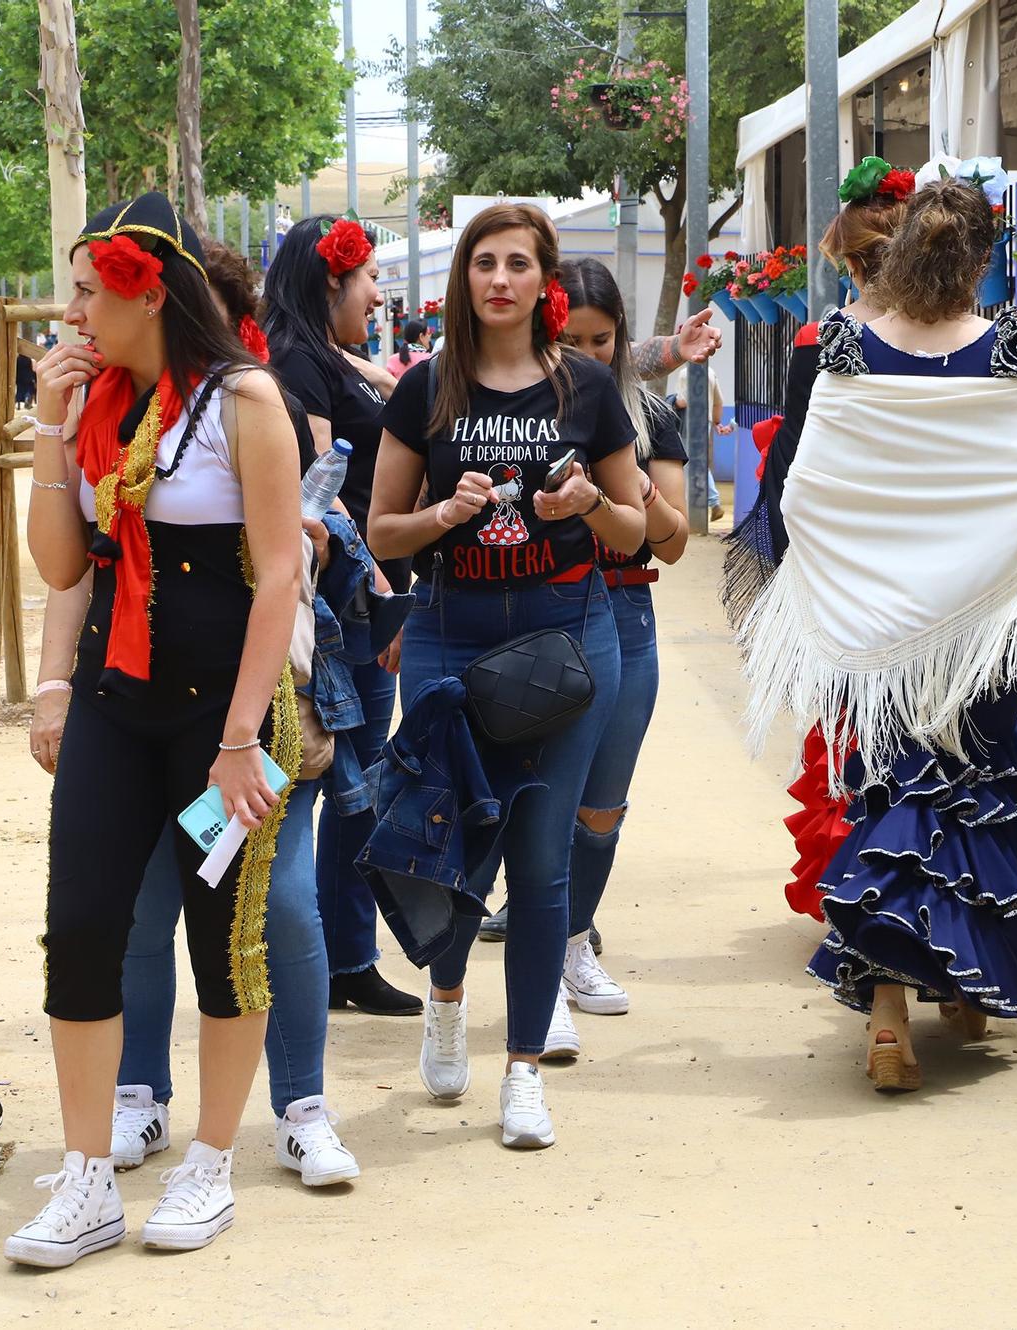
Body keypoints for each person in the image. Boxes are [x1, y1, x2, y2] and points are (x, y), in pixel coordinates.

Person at [25, 236, 362, 1196]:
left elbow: (281, 574)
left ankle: (234, 1147)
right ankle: (91, 1166)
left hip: (223, 718)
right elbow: (62, 567)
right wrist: (52, 422)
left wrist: (241, 739)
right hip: (116, 704)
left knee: (242, 928)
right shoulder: (93, 404)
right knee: (88, 922)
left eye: (89, 294)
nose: (74, 316)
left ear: (149, 296)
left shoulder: (244, 400)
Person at [736, 173, 1017, 1092]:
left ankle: (898, 1007)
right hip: (978, 633)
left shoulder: (842, 346)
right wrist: (1009, 585)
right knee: (967, 795)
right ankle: (955, 986)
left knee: (889, 802)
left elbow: (802, 492)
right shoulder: (1013, 348)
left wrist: (855, 580)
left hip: (873, 634)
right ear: (980, 263)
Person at [366, 202, 647, 1149]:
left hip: (570, 636)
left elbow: (638, 531)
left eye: (517, 264)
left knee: (539, 857)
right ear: (463, 280)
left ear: (545, 281)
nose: (498, 280)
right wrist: (445, 514)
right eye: (483, 263)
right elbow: (381, 533)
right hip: (451, 636)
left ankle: (524, 1070)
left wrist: (590, 501)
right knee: (455, 835)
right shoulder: (425, 389)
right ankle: (446, 998)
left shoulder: (591, 388)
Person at [260, 213, 425, 1019]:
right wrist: (380, 596)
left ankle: (340, 957)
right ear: (334, 277)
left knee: (354, 787)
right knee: (333, 785)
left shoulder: (320, 356)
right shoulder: (297, 362)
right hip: (338, 615)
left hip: (360, 606)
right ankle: (320, 958)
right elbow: (318, 499)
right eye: (367, 280)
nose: (376, 294)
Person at [534, 256, 691, 1058]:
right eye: (570, 339)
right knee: (538, 802)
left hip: (625, 611)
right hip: (539, 614)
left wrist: (627, 491)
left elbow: (676, 542)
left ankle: (570, 946)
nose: (586, 355)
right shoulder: (517, 410)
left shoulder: (648, 413)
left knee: (602, 805)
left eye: (600, 340)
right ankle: (540, 968)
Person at [725, 156, 915, 621]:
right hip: (921, 533)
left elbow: (792, 456)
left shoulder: (823, 338)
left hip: (842, 540)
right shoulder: (952, 339)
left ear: (851, 263)